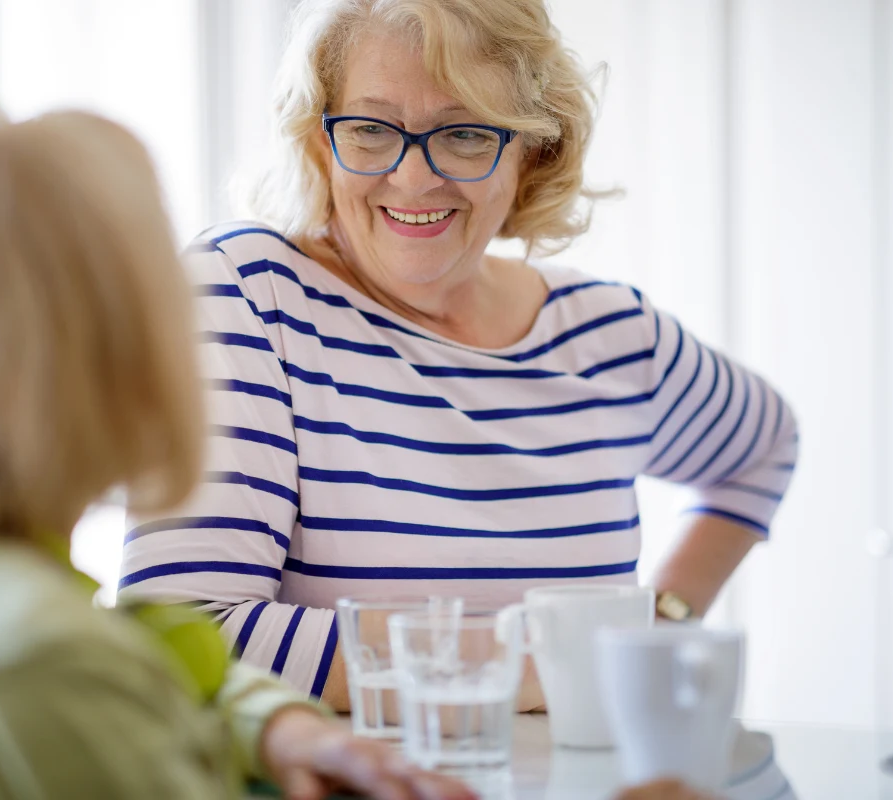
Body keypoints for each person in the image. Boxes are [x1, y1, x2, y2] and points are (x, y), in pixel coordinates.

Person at [119, 0, 798, 710]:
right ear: (321, 140)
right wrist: (550, 667)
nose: (414, 180)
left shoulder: (611, 336)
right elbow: (176, 637)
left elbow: (765, 445)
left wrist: (662, 625)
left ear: (534, 148)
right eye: (372, 129)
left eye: (467, 134)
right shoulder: (249, 294)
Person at [0, 108, 471, 800]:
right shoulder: (23, 662)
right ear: (117, 354)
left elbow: (142, 646)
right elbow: (74, 673)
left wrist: (273, 723)